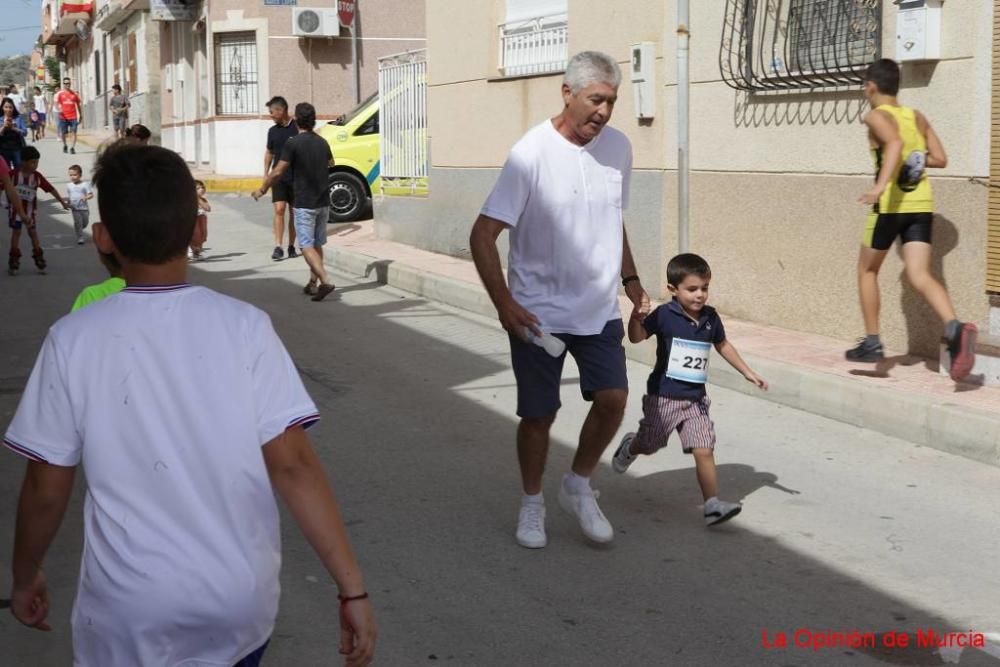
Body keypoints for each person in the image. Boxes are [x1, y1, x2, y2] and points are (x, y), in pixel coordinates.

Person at [4, 142, 376, 666]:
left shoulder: (72, 338)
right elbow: (293, 466)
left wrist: (25, 577)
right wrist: (352, 589)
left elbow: (46, 487)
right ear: (199, 231)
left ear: (102, 238)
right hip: (237, 602)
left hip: (127, 612)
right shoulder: (248, 328)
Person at [469, 51, 647, 549]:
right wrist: (504, 304)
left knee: (613, 399)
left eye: (612, 102)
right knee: (539, 415)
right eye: (596, 100)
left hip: (597, 306)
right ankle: (531, 503)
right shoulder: (530, 155)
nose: (604, 113)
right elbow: (483, 235)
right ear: (567, 94)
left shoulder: (619, 149)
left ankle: (578, 483)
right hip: (539, 313)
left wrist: (631, 282)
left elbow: (613, 220)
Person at [613, 253, 768, 526]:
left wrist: (748, 371)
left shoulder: (710, 317)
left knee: (704, 447)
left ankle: (712, 505)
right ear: (673, 289)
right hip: (664, 397)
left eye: (704, 288)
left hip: (695, 400)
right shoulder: (664, 315)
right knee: (650, 444)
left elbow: (723, 345)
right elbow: (636, 338)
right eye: (692, 289)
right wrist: (637, 317)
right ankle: (631, 446)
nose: (700, 295)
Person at [846, 59, 977, 381]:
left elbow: (894, 143)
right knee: (919, 273)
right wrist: (914, 162)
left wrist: (879, 186)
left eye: (865, 87)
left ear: (871, 87)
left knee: (867, 269)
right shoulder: (916, 116)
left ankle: (873, 344)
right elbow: (940, 159)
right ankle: (956, 328)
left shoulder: (876, 115)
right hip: (920, 206)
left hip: (889, 208)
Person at [253, 102, 336, 301]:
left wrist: (263, 188)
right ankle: (313, 284)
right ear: (313, 120)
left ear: (297, 120)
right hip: (323, 202)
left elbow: (279, 170)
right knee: (317, 244)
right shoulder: (323, 142)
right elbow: (331, 164)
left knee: (306, 245)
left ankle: (325, 280)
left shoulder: (294, 143)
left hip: (305, 202)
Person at [8, 145, 70, 275]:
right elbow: (3, 185)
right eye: (33, 162)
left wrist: (62, 202)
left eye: (37, 162)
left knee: (33, 234)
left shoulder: (37, 177)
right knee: (16, 233)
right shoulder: (13, 175)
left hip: (30, 213)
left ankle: (39, 257)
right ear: (23, 162)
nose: (35, 165)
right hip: (16, 212)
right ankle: (14, 259)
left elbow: (50, 188)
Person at [263, 96, 298, 261]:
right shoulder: (272, 131)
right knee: (279, 210)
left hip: (297, 177)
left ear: (281, 110)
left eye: (272, 112)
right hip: (278, 177)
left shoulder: (297, 127)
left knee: (294, 213)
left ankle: (292, 245)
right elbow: (269, 152)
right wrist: (265, 173)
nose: (270, 115)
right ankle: (278, 246)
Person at [67, 164, 94, 245]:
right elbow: (69, 196)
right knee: (78, 222)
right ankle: (80, 237)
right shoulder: (69, 185)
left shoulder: (84, 184)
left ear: (80, 175)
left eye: (75, 175)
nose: (72, 177)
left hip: (84, 208)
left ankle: (79, 228)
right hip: (74, 208)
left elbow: (91, 194)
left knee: (85, 223)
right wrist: (68, 203)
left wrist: (86, 197)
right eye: (70, 175)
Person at [54, 77, 82, 154]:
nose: (67, 85)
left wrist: (81, 115)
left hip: (73, 116)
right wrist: (58, 109)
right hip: (63, 117)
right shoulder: (60, 94)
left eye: (68, 83)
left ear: (70, 84)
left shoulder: (74, 94)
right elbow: (56, 103)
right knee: (64, 133)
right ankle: (65, 145)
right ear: (63, 84)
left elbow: (78, 105)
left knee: (73, 132)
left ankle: (72, 147)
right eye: (65, 83)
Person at [0, 96, 27, 168]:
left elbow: (25, 132)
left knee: (18, 168)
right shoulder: (0, 119)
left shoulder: (18, 118)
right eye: (6, 107)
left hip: (17, 148)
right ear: (2, 108)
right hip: (3, 149)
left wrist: (14, 128)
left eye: (10, 107)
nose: (8, 109)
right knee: (6, 170)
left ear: (13, 108)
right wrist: (4, 127)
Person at [189, 179, 210, 260]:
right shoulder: (190, 200)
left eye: (202, 187)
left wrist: (200, 200)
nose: (201, 189)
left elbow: (208, 208)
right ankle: (193, 252)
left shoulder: (203, 199)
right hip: (194, 219)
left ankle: (198, 252)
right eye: (198, 188)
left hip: (202, 218)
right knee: (195, 235)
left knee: (203, 235)